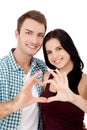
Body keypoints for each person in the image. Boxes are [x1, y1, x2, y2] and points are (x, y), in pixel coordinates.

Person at [0, 10, 47, 130]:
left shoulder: (42, 67)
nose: (34, 41)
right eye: (28, 33)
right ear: (17, 34)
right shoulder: (1, 68)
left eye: (40, 35)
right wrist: (16, 104)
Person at [40, 29, 87, 130]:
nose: (54, 56)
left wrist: (72, 97)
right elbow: (44, 117)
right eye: (49, 52)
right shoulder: (47, 77)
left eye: (59, 48)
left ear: (68, 48)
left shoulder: (84, 80)